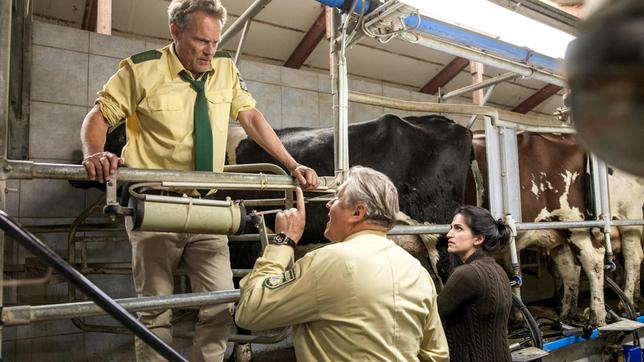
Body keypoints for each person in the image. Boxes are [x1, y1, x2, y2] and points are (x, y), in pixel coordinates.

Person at [79, 1, 319, 361]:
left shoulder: (225, 68)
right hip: (156, 205)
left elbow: (251, 116)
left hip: (208, 206)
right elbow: (98, 118)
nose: (210, 50)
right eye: (201, 41)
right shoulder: (142, 70)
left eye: (215, 41)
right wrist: (93, 153)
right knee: (155, 310)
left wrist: (290, 163)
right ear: (175, 32)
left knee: (221, 304)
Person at [235, 166, 449, 362]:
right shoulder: (418, 272)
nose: (328, 205)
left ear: (358, 212)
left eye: (337, 199)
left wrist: (284, 240)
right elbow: (437, 355)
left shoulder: (328, 261)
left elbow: (249, 312)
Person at [437, 205, 513, 362]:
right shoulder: (498, 270)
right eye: (451, 228)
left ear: (478, 238)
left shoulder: (466, 274)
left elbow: (432, 317)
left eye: (458, 229)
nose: (449, 234)